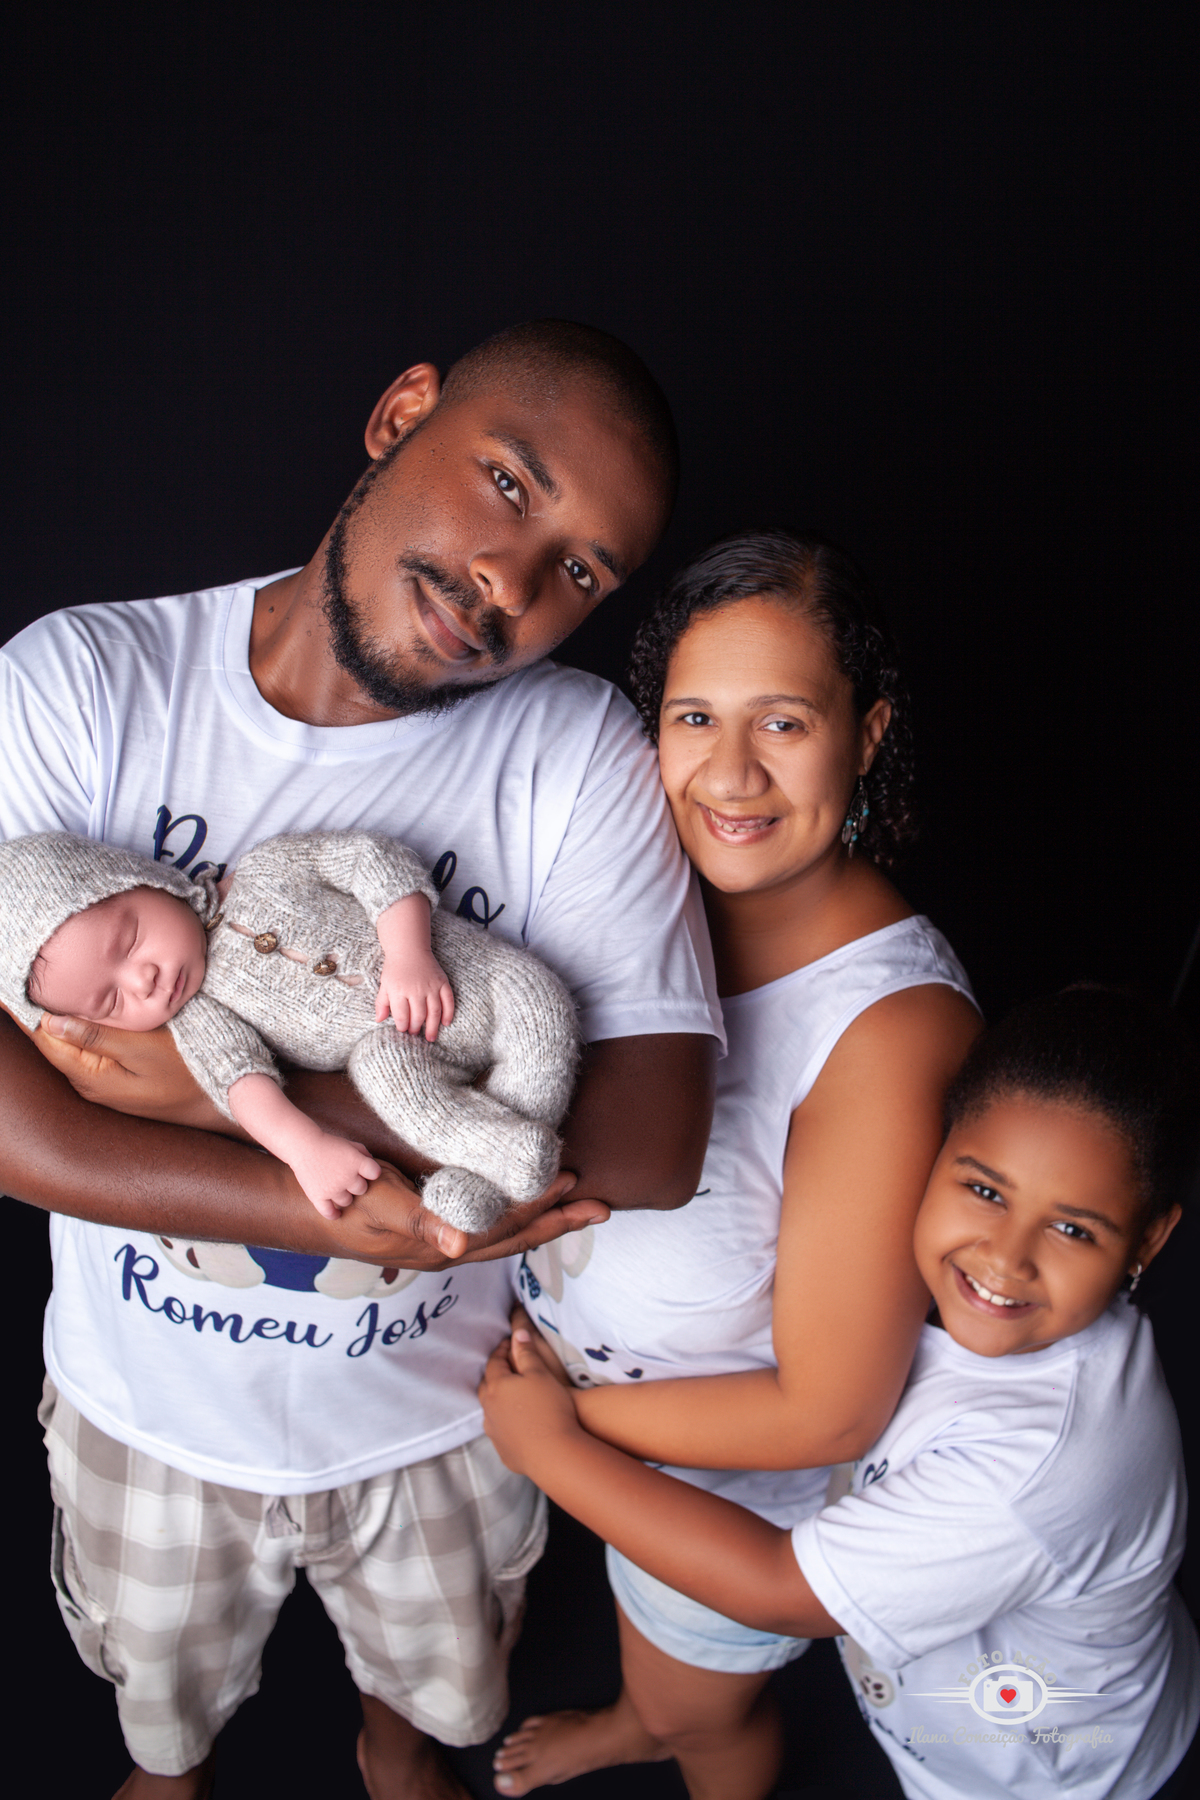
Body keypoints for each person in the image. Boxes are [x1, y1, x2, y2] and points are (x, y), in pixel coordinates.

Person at [0, 319, 723, 1800]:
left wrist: (201, 1094)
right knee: (163, 1707)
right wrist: (321, 1185)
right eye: (512, 483)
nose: (513, 586)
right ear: (403, 413)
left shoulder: (575, 757)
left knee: (440, 1702)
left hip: (437, 1423)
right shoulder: (86, 682)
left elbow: (656, 1139)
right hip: (150, 1412)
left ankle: (396, 1750)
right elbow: (17, 1129)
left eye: (582, 568)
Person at [495, 531, 981, 1797]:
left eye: (784, 723)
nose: (729, 773)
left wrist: (558, 1430)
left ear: (866, 735)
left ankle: (675, 1739)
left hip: (721, 1498)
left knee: (706, 1711)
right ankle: (633, 1716)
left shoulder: (889, 1030)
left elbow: (829, 1409)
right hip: (595, 1434)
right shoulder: (643, 895)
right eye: (695, 717)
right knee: (646, 1662)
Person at [481, 986, 1200, 1800]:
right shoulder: (937, 1278)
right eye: (986, 1191)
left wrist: (548, 1444)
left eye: (1073, 1229)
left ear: (1149, 1239)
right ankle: (645, 1727)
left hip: (1035, 1771)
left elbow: (780, 1592)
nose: (1006, 1258)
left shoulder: (1040, 1473)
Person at [2, 827, 579, 1230]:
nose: (144, 980)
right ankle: (497, 1153)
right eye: (110, 1001)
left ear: (138, 879)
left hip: (477, 976)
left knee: (538, 1004)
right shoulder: (202, 1016)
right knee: (392, 1084)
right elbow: (240, 1084)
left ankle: (495, 1171)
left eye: (129, 941)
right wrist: (305, 1151)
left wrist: (408, 953)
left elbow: (368, 860)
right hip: (391, 1043)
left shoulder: (267, 869)